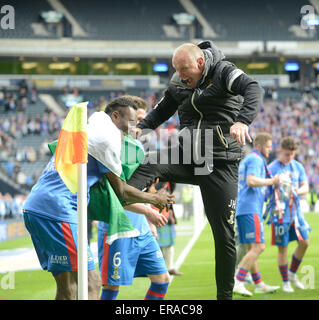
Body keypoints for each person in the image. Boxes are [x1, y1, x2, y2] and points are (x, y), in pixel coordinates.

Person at [128, 41, 264, 300]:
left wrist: (242, 121)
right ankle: (119, 196)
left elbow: (254, 88)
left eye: (184, 69)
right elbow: (163, 108)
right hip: (188, 153)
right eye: (176, 70)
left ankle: (225, 297)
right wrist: (141, 127)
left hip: (220, 162)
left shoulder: (224, 72)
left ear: (200, 63)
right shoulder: (179, 82)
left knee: (224, 237)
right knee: (149, 161)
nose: (180, 75)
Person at [22, 97, 173, 300]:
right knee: (90, 281)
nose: (135, 127)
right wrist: (154, 200)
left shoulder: (93, 124)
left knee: (69, 287)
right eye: (132, 121)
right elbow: (122, 191)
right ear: (116, 116)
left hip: (36, 207)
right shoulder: (106, 138)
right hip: (58, 210)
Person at [97, 96, 171, 301]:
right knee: (111, 287)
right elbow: (118, 195)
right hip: (117, 229)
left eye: (141, 121)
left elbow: (140, 189)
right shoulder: (111, 148)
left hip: (142, 229)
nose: (138, 126)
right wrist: (149, 209)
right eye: (135, 120)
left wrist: (148, 219)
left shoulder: (141, 151)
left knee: (162, 279)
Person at [233, 132, 281, 297]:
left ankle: (259, 283)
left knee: (249, 249)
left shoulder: (250, 159)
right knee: (259, 247)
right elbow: (251, 181)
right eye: (268, 147)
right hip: (250, 208)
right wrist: (272, 181)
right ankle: (238, 281)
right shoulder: (255, 159)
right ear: (259, 146)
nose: (270, 150)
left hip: (244, 207)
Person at [266, 137, 311, 293]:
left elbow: (306, 186)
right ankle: (285, 281)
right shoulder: (271, 168)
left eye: (292, 155)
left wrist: (298, 191)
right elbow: (265, 192)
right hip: (280, 214)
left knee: (305, 243)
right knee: (282, 249)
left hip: (296, 214)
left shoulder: (298, 166)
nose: (289, 158)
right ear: (280, 151)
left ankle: (292, 274)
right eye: (287, 154)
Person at [153, 181, 183, 276]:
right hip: (156, 217)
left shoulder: (169, 183)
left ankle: (169, 268)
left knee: (169, 244)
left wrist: (171, 213)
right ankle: (159, 269)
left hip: (166, 218)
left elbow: (169, 199)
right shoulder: (156, 181)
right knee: (156, 245)